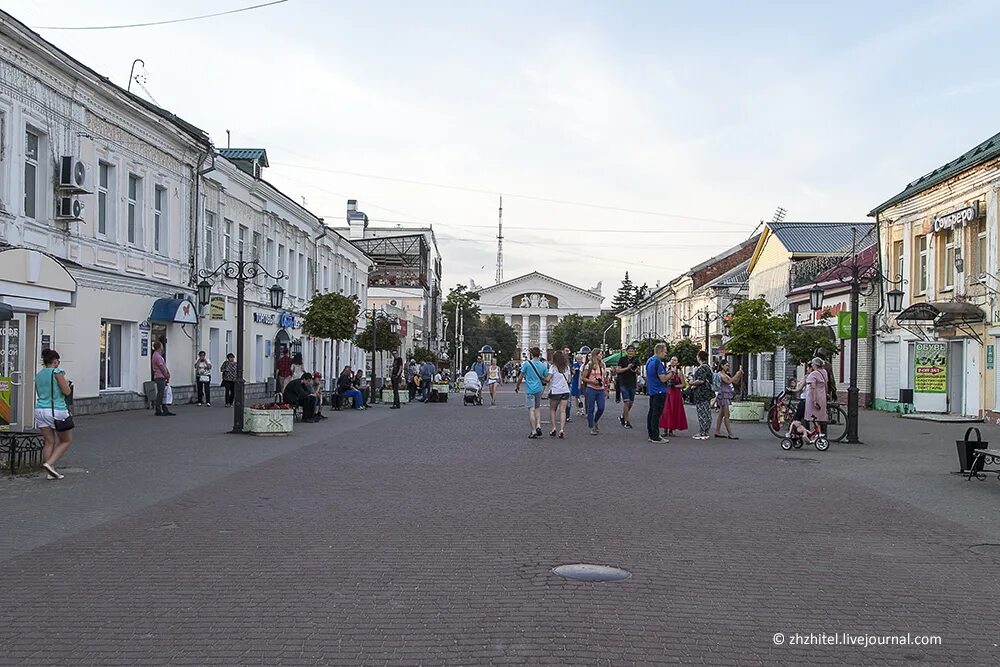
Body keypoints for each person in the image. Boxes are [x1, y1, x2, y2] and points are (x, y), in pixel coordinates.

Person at [36, 348, 74, 480]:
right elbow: (67, 392)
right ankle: (49, 463)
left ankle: (50, 472)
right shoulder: (57, 372)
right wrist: (67, 384)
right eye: (58, 360)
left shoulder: (39, 374)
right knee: (66, 440)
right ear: (55, 361)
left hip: (40, 410)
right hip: (56, 410)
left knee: (49, 441)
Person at [515, 346, 550, 439]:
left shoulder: (527, 364)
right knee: (538, 408)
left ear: (531, 354)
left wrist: (517, 386)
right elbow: (547, 378)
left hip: (530, 390)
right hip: (539, 389)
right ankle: (539, 425)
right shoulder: (543, 365)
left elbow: (520, 377)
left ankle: (533, 431)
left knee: (531, 409)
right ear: (539, 355)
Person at [645, 343, 670, 443]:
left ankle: (651, 434)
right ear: (660, 351)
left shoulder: (649, 361)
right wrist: (671, 373)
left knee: (651, 413)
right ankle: (656, 436)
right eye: (665, 351)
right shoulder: (657, 362)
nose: (665, 354)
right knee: (657, 414)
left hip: (652, 390)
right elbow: (663, 379)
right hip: (659, 390)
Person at [580, 348, 608, 436]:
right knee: (590, 408)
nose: (601, 356)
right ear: (595, 355)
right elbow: (583, 377)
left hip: (600, 389)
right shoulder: (589, 365)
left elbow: (605, 378)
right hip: (591, 388)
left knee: (601, 407)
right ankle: (591, 426)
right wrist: (592, 381)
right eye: (600, 354)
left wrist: (606, 388)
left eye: (602, 354)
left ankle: (595, 420)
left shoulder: (603, 364)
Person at [714, 360, 744, 439]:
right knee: (727, 415)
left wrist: (739, 375)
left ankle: (717, 431)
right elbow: (728, 381)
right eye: (726, 365)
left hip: (726, 395)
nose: (728, 367)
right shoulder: (720, 374)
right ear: (722, 366)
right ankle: (730, 434)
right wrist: (737, 374)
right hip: (723, 395)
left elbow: (734, 381)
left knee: (721, 414)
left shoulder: (726, 374)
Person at [660, 356, 688, 437]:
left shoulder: (679, 372)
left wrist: (675, 386)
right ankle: (665, 429)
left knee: (673, 411)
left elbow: (683, 384)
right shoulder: (667, 371)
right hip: (667, 393)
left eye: (675, 360)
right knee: (665, 411)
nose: (672, 361)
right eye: (672, 359)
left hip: (675, 394)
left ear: (677, 362)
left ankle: (671, 430)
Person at [689, 350, 715, 440]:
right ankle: (706, 431)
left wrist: (692, 383)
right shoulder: (708, 367)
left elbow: (701, 380)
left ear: (699, 357)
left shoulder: (702, 368)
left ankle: (703, 432)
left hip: (701, 393)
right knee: (707, 411)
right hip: (707, 392)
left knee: (702, 412)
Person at [547, 350, 571, 439]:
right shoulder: (566, 367)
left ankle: (553, 428)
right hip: (565, 390)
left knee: (553, 410)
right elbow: (569, 380)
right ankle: (561, 429)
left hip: (555, 391)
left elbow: (548, 378)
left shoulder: (553, 367)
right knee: (563, 411)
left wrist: (544, 378)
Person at [615, 345, 640, 429]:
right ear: (627, 351)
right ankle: (626, 421)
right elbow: (618, 370)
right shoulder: (622, 359)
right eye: (629, 351)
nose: (630, 353)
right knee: (626, 402)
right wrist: (627, 368)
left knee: (631, 403)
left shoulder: (636, 360)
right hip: (623, 383)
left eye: (632, 351)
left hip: (632, 383)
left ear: (634, 352)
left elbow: (638, 372)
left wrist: (636, 370)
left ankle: (622, 416)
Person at [805, 357, 829, 432]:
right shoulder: (824, 372)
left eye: (812, 363)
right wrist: (826, 393)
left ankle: (815, 434)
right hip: (822, 396)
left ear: (815, 364)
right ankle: (822, 435)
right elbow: (826, 384)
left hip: (814, 397)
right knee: (821, 417)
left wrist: (814, 400)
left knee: (813, 417)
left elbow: (813, 387)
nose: (811, 364)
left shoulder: (813, 374)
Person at [151, 341, 175, 416]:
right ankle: (158, 410)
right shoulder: (157, 356)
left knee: (163, 393)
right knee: (160, 394)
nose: (162, 347)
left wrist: (167, 373)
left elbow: (164, 365)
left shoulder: (158, 355)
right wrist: (166, 375)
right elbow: (161, 367)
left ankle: (165, 409)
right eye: (161, 346)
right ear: (159, 347)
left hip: (161, 376)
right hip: (159, 376)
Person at [570, 353, 584, 417]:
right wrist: (573, 370)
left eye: (580, 359)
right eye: (578, 359)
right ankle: (578, 409)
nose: (579, 360)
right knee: (576, 396)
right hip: (575, 380)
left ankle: (582, 409)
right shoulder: (575, 365)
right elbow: (573, 373)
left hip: (582, 380)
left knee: (581, 395)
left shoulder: (583, 365)